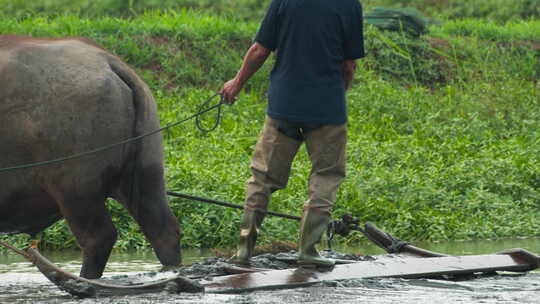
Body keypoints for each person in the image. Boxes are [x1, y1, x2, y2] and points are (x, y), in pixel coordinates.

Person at [220, 0, 365, 266]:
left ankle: (243, 252)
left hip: (284, 106)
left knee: (262, 178)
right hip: (327, 108)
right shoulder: (349, 5)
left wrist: (236, 83)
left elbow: (259, 50)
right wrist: (334, 95)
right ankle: (308, 251)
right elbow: (348, 66)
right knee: (326, 175)